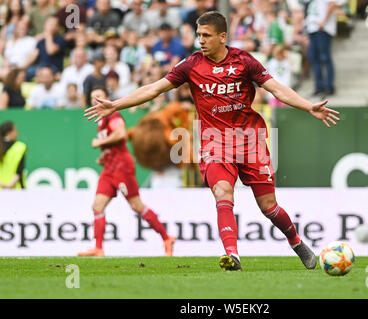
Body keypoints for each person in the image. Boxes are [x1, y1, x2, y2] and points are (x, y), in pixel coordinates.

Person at [85, 11, 340, 271]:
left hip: (250, 141)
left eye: (206, 35)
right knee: (222, 191)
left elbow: (276, 89)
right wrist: (115, 104)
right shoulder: (191, 64)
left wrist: (309, 107)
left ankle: (297, 243)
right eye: (198, 35)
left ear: (222, 36)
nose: (201, 40)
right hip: (214, 143)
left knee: (268, 207)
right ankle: (232, 255)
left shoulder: (244, 61)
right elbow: (154, 88)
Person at [78, 87, 176, 257]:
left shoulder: (113, 115)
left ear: (107, 98)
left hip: (121, 167)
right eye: (93, 98)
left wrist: (99, 143)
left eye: (99, 97)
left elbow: (121, 134)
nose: (96, 101)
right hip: (109, 168)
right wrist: (104, 155)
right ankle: (99, 248)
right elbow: (113, 143)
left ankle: (166, 238)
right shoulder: (101, 121)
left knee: (136, 205)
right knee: (97, 206)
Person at [305, 0, 339, 96]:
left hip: (323, 29)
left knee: (325, 58)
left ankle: (329, 87)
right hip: (313, 29)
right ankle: (319, 87)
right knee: (313, 58)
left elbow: (332, 5)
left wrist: (324, 21)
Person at [0, 121, 26, 189]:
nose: (17, 133)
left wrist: (2, 184)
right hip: (15, 190)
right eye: (15, 130)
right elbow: (19, 171)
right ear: (9, 132)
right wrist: (9, 186)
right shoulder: (20, 147)